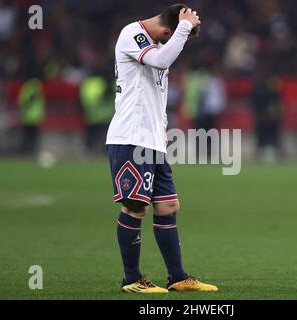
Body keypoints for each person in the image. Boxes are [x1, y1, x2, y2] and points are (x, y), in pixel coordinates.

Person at [106, 4, 218, 293]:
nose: (174, 45)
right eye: (175, 37)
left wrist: (163, 127)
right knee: (135, 207)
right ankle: (131, 279)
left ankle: (177, 277)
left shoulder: (157, 44)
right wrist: (183, 28)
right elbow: (161, 61)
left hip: (152, 140)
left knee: (168, 206)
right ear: (169, 31)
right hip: (130, 137)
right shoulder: (133, 34)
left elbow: (158, 90)